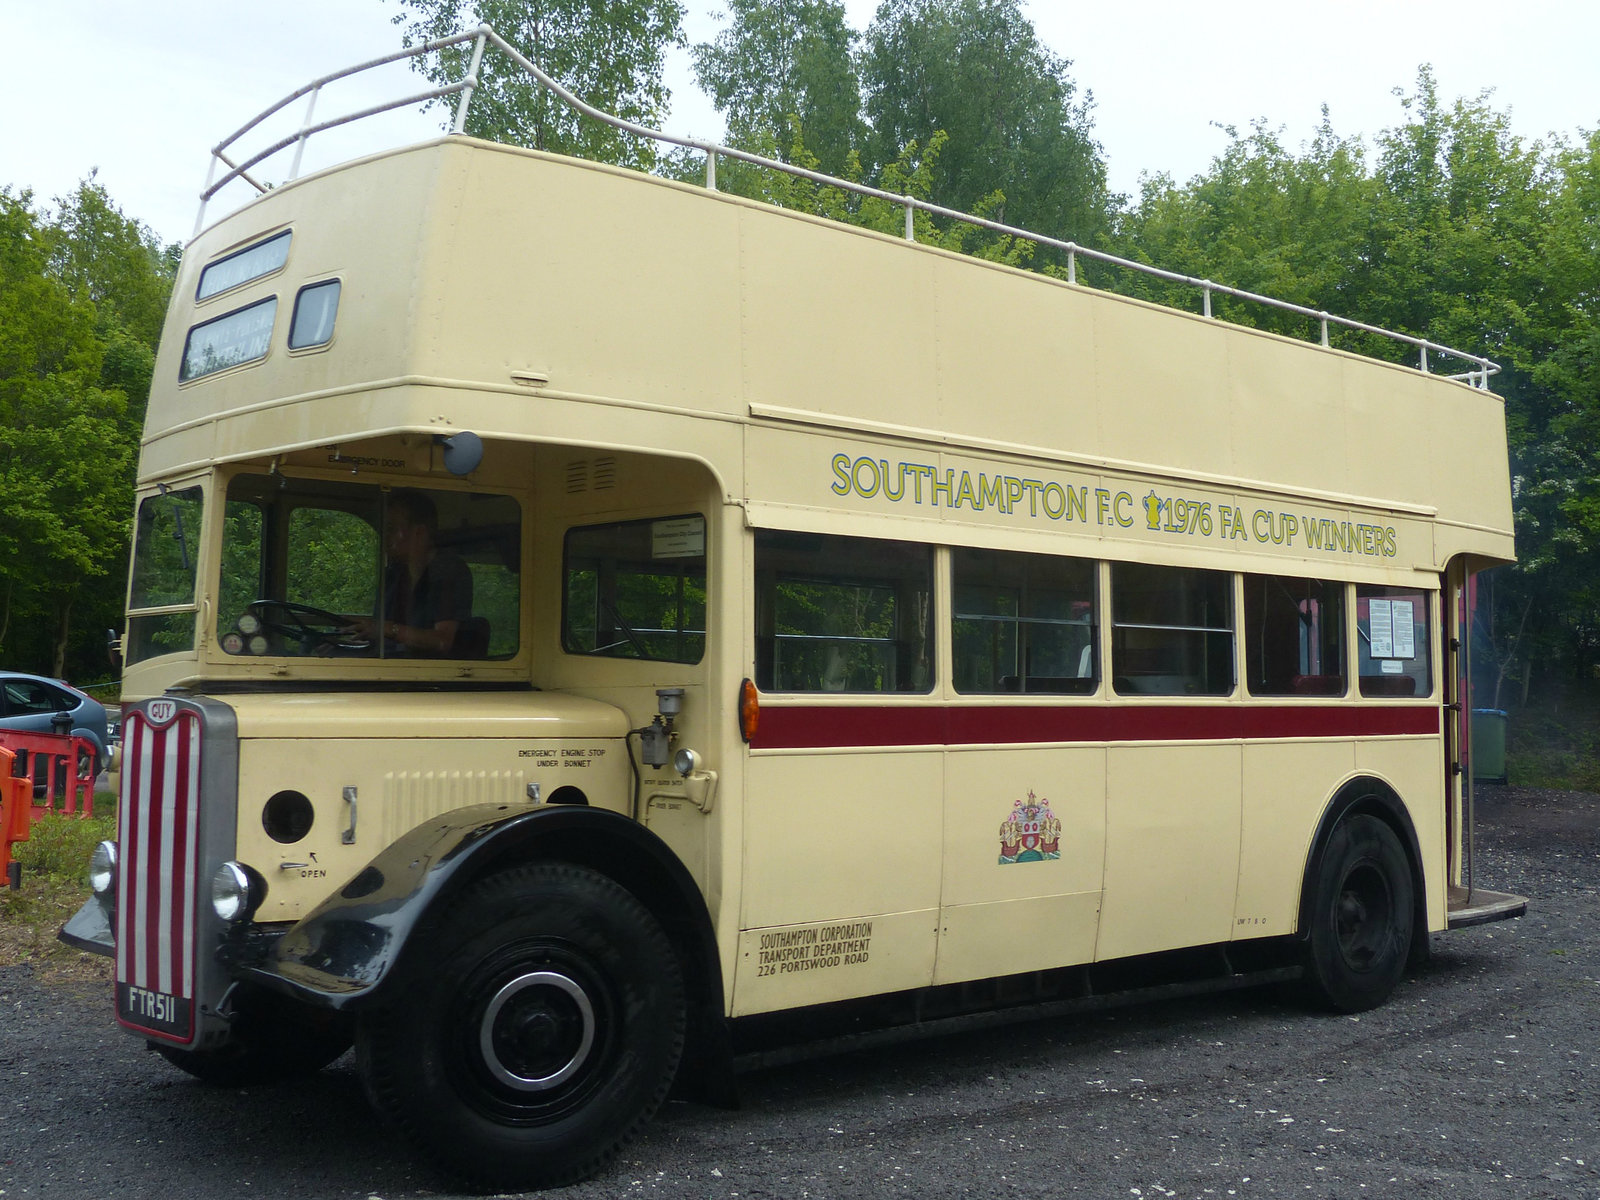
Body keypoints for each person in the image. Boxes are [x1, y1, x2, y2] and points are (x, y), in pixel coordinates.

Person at [347, 490, 472, 656]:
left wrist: (389, 629)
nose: (385, 537)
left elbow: (442, 641)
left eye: (391, 529)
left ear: (419, 533)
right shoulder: (392, 575)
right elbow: (380, 638)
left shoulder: (447, 571)